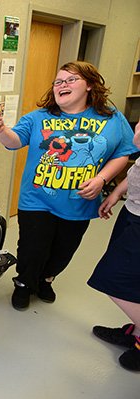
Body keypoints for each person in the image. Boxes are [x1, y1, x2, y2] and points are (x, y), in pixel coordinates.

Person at [0, 61, 136, 311]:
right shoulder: (39, 117)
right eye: (58, 81)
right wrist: (2, 130)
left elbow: (123, 152)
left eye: (70, 80)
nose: (62, 85)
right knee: (32, 250)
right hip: (37, 199)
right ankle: (23, 283)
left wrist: (102, 180)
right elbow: (13, 142)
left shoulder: (111, 117)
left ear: (89, 85)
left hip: (79, 202)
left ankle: (47, 279)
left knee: (63, 252)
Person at [88, 120, 140, 372]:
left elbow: (136, 142)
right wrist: (117, 192)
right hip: (132, 212)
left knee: (115, 280)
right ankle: (136, 334)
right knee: (135, 281)